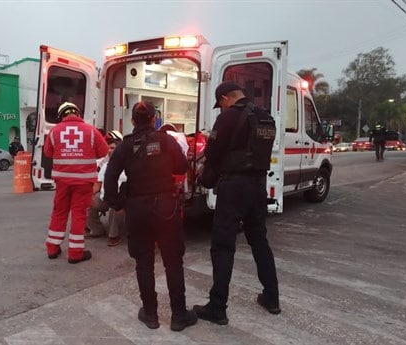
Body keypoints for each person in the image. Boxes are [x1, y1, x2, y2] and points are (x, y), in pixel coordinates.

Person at [104, 101, 197, 332]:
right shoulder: (166, 140)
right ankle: (178, 316)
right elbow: (182, 166)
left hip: (137, 208)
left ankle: (151, 314)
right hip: (166, 206)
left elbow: (110, 178)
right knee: (173, 261)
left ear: (133, 121)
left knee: (143, 263)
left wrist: (118, 204)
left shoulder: (124, 146)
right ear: (155, 119)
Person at [193, 81, 280, 326]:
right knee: (259, 240)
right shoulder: (266, 118)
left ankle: (217, 307)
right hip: (257, 186)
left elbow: (212, 153)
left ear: (224, 99)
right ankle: (271, 297)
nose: (220, 109)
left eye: (220, 105)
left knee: (223, 246)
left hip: (233, 187)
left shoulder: (227, 118)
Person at [43, 102, 109, 264]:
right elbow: (103, 151)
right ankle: (75, 253)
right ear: (78, 114)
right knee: (79, 214)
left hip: (62, 181)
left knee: (59, 212)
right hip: (83, 182)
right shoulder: (91, 131)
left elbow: (47, 152)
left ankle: (52, 248)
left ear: (61, 116)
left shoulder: (54, 131)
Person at [86, 130, 127, 247]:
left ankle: (114, 235)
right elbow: (98, 185)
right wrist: (86, 195)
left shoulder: (128, 164)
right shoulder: (104, 166)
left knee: (116, 203)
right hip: (105, 197)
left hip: (121, 198)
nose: (110, 150)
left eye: (113, 148)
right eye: (109, 148)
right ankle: (97, 229)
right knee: (87, 200)